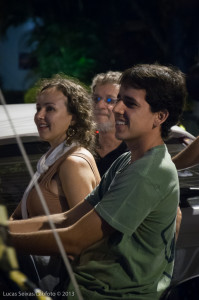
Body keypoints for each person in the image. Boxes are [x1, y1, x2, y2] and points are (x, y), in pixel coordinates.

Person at [9, 63, 186, 300]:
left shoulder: (147, 172)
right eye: (119, 99)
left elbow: (75, 239)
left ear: (160, 116)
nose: (117, 109)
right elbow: (69, 217)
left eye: (130, 103)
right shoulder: (128, 160)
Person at [9, 74, 100, 291]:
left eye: (49, 109)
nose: (39, 115)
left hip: (61, 283)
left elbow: (85, 238)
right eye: (38, 108)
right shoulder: (51, 161)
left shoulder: (72, 163)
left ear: (75, 117)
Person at [91, 71, 128, 176]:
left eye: (110, 100)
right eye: (96, 99)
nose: (99, 105)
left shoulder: (135, 152)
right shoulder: (81, 146)